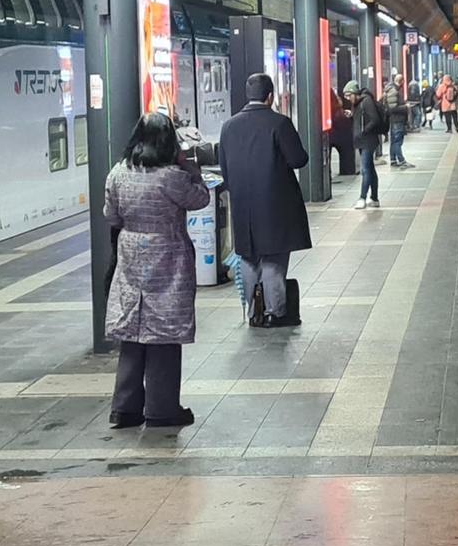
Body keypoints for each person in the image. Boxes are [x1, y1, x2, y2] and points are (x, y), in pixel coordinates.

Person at [103, 112, 212, 429]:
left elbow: (111, 215)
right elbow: (200, 200)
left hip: (131, 253)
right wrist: (193, 171)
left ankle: (124, 408)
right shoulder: (172, 177)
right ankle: (162, 408)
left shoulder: (118, 173)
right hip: (168, 255)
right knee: (164, 332)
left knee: (132, 329)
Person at [217, 71, 310, 327]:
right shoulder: (279, 123)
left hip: (243, 205)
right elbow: (298, 159)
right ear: (270, 97)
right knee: (273, 258)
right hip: (276, 203)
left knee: (248, 257)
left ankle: (252, 312)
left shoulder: (228, 126)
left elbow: (224, 167)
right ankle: (274, 312)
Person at [350, 83, 386, 206]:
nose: (348, 98)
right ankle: (374, 198)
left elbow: (374, 119)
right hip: (363, 141)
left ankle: (362, 198)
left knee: (365, 169)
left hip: (368, 141)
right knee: (370, 169)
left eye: (349, 95)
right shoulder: (359, 103)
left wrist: (364, 131)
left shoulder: (366, 101)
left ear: (354, 93)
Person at [386, 84, 412, 168]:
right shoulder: (393, 91)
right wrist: (405, 107)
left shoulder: (391, 91)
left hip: (395, 120)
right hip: (397, 120)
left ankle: (393, 159)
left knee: (394, 141)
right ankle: (401, 160)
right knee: (397, 141)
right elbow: (393, 108)